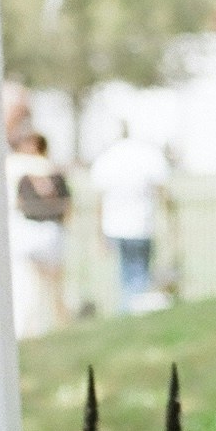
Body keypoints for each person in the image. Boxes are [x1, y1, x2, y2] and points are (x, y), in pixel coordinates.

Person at [90, 122, 168, 313]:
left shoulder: (107, 158)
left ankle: (128, 312)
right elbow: (162, 190)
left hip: (115, 227)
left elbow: (99, 200)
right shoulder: (147, 155)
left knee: (129, 276)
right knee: (138, 276)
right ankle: (131, 313)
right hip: (141, 226)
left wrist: (99, 235)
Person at [8, 131, 73, 337]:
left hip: (34, 230)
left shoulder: (22, 168)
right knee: (39, 286)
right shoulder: (49, 171)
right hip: (40, 230)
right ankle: (40, 328)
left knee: (41, 285)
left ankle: (42, 328)